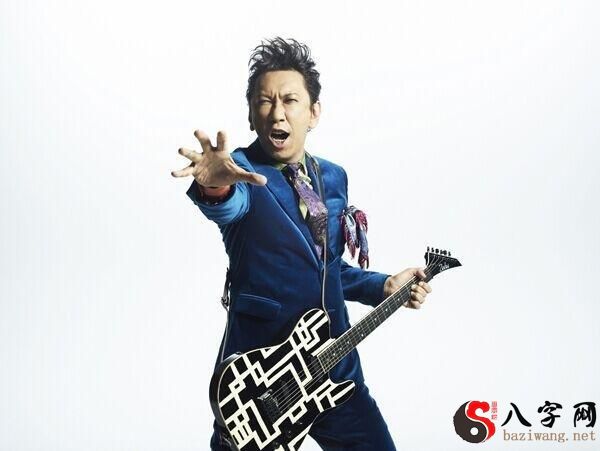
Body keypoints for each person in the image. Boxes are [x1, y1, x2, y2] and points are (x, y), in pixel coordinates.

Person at [171, 37, 432, 451]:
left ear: (313, 113)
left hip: (333, 367)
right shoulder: (240, 171)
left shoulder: (333, 177)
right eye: (265, 102)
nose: (277, 113)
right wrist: (214, 187)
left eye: (290, 100)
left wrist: (383, 286)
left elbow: (327, 267)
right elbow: (228, 205)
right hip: (260, 386)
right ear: (251, 114)